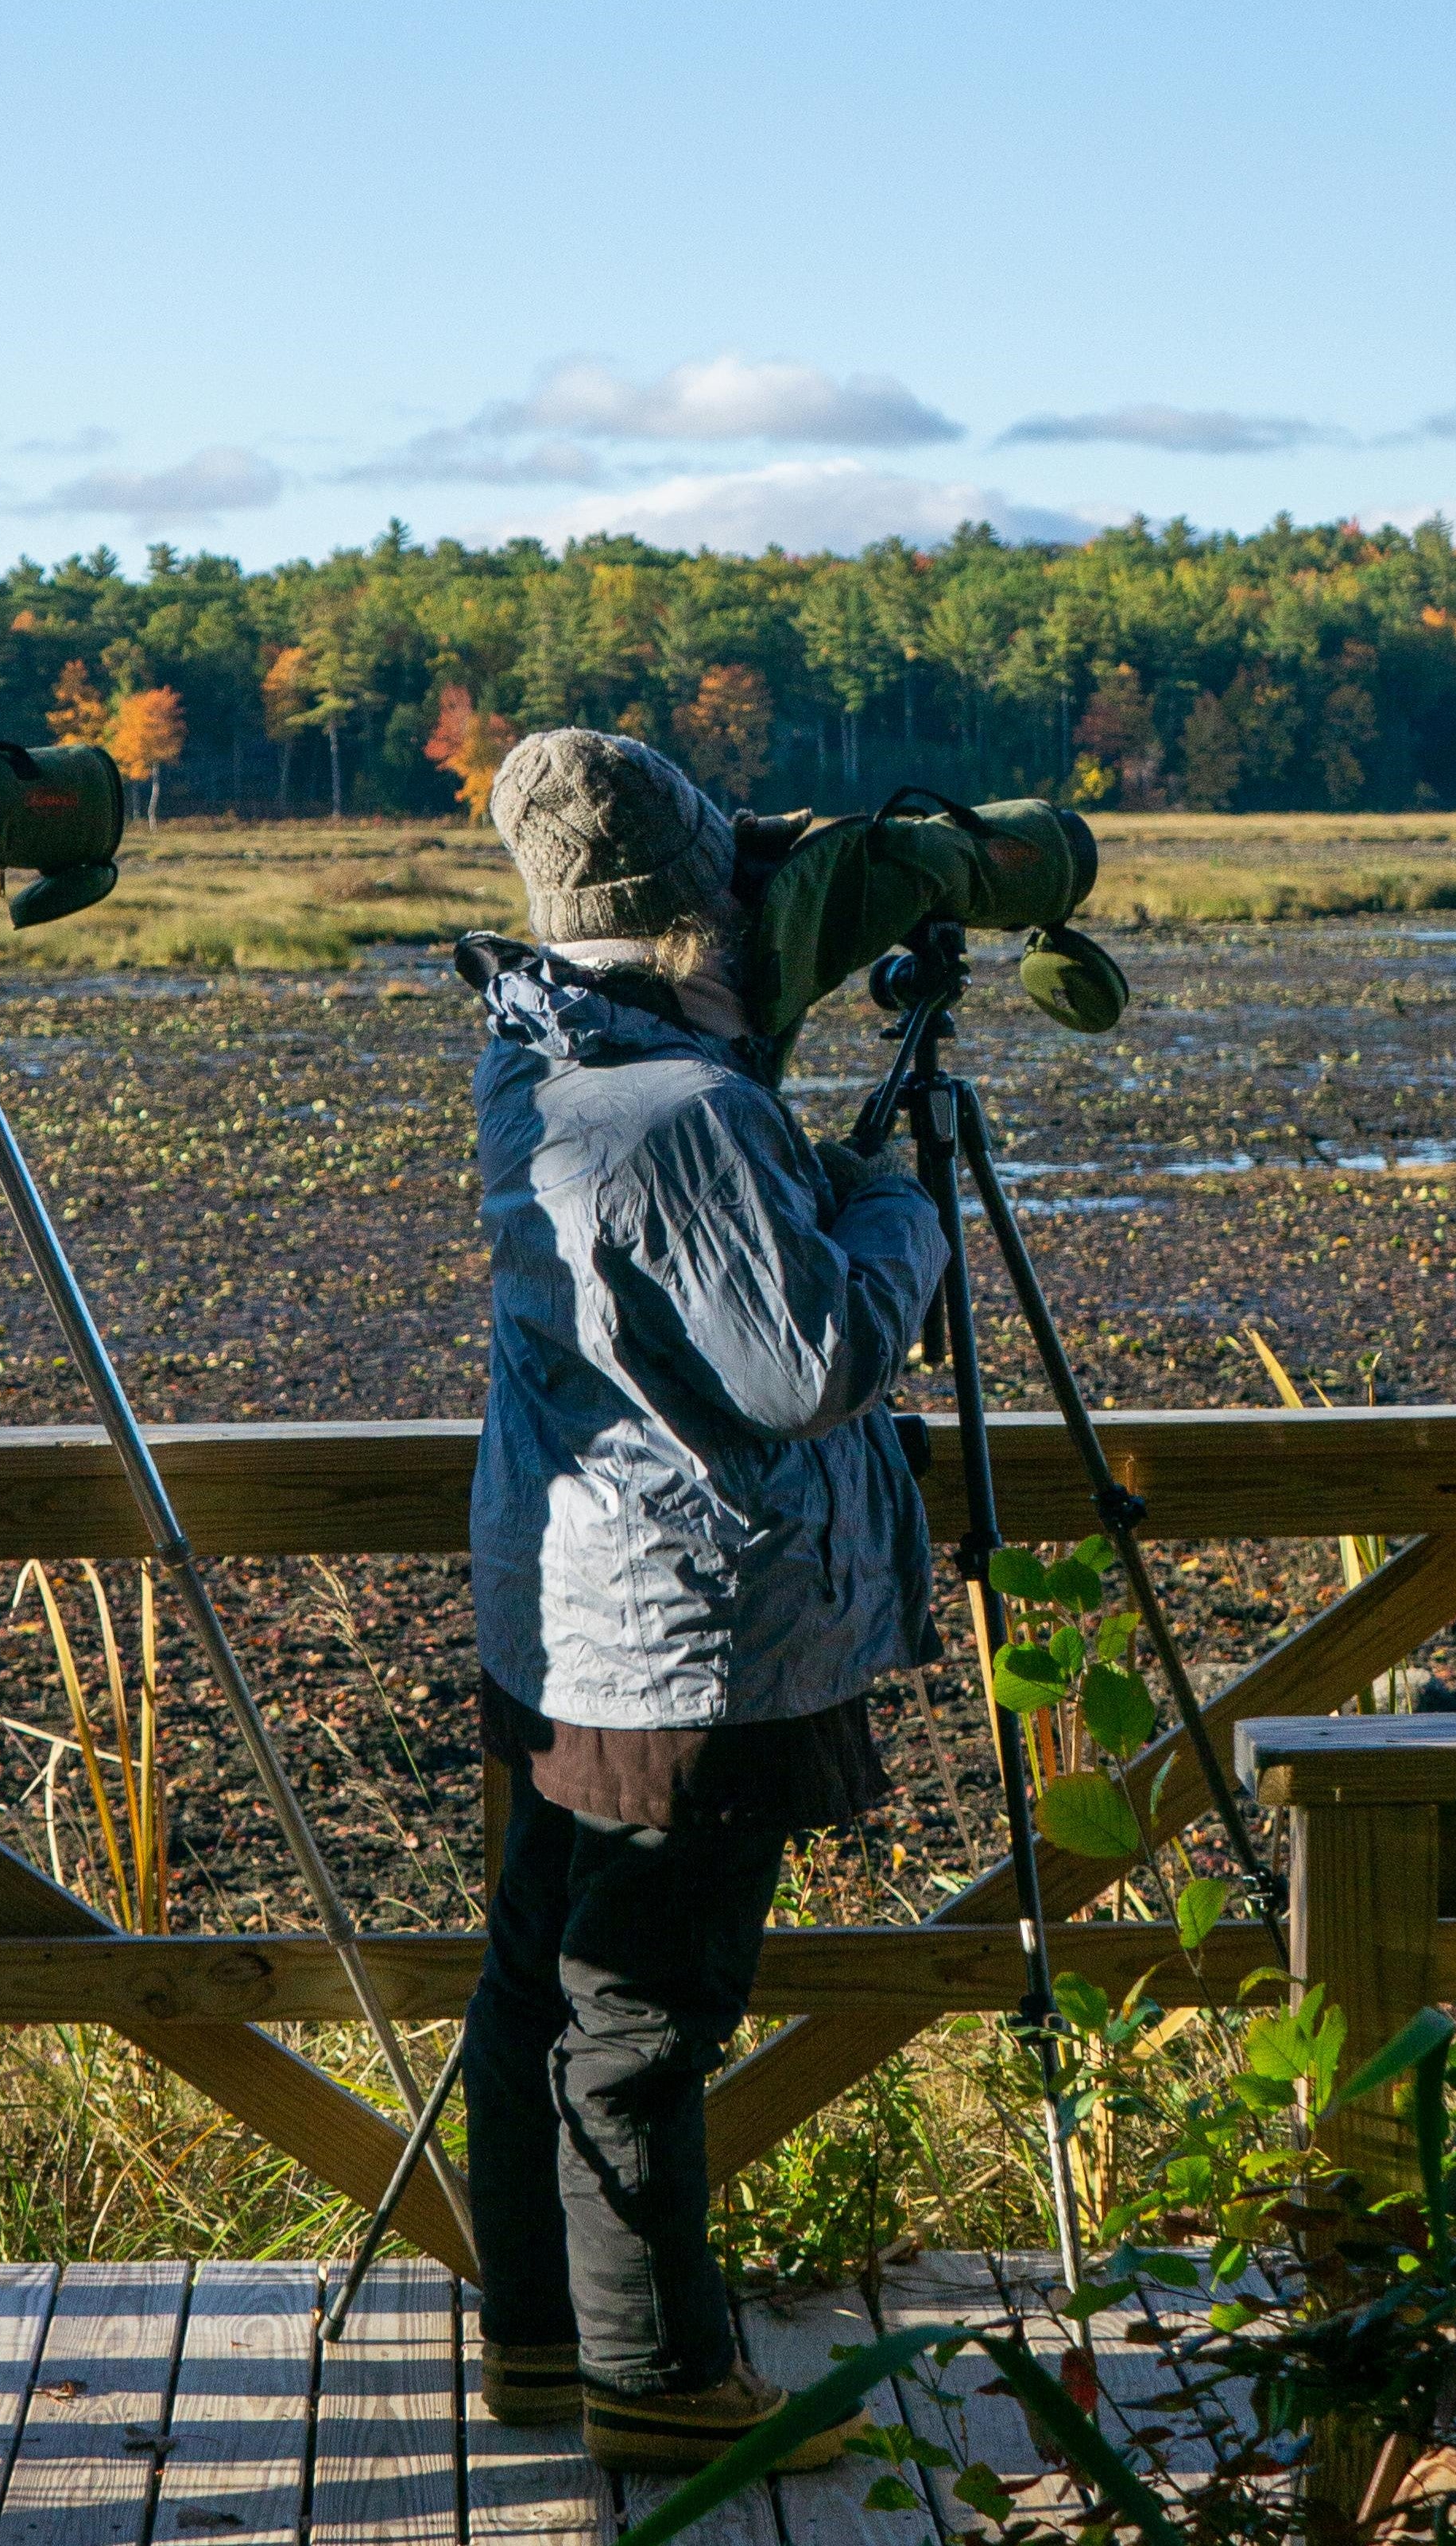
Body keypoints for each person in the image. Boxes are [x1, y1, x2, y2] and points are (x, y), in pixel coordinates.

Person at [455, 728, 949, 2477]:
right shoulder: (682, 1109)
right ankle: (660, 2380)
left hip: (569, 1605)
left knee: (539, 1981)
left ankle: (534, 2337)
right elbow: (806, 1363)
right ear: (693, 903)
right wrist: (899, 1209)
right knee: (644, 2023)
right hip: (695, 1635)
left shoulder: (542, 1050)